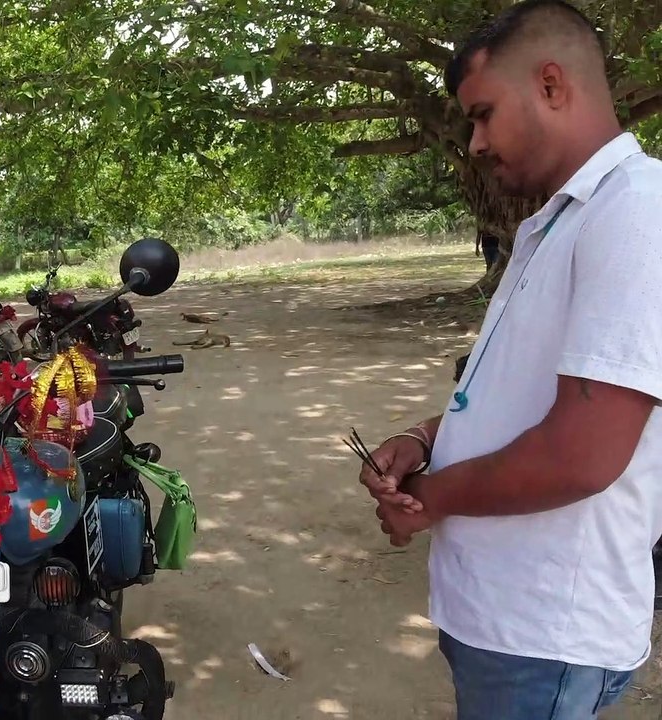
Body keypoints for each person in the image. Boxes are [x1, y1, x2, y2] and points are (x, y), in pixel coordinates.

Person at [356, 1, 662, 717]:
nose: (476, 142)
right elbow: (519, 393)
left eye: (485, 114)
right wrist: (423, 440)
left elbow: (581, 455)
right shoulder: (553, 223)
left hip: (546, 631)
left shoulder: (637, 213)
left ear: (552, 85)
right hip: (499, 619)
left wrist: (425, 502)